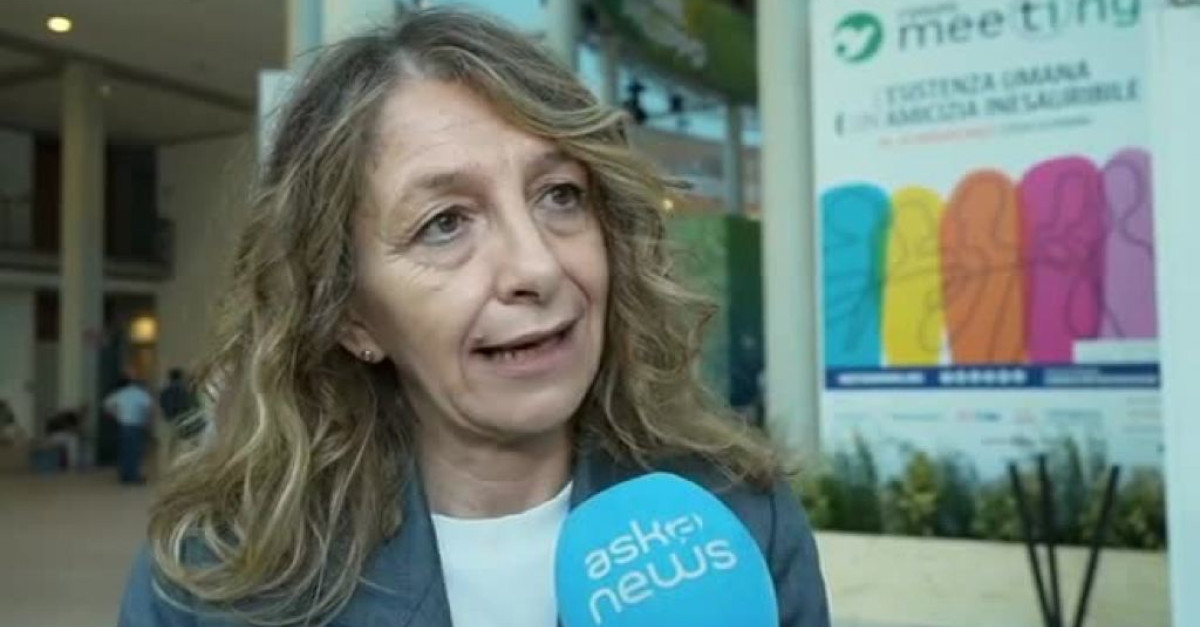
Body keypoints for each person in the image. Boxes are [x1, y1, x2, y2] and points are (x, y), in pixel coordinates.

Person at [118, 8, 829, 627]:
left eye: (559, 195)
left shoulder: (740, 519)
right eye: (445, 223)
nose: (537, 267)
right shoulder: (213, 579)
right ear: (350, 316)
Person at [105, 375, 155, 484]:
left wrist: (117, 415)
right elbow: (149, 409)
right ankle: (134, 476)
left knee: (125, 451)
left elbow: (107, 404)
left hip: (124, 425)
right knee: (135, 452)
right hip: (137, 425)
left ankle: (125, 475)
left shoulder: (120, 393)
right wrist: (148, 423)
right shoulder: (141, 394)